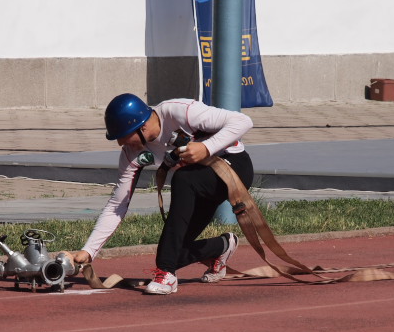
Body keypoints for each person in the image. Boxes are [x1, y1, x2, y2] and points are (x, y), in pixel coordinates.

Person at [62, 93, 254, 295]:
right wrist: (89, 250)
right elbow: (117, 205)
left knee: (182, 179)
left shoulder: (180, 111)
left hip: (233, 168)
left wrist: (206, 147)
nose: (121, 143)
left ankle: (166, 274)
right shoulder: (131, 153)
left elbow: (243, 121)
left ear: (142, 127)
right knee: (171, 250)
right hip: (197, 186)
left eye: (124, 136)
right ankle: (222, 246)